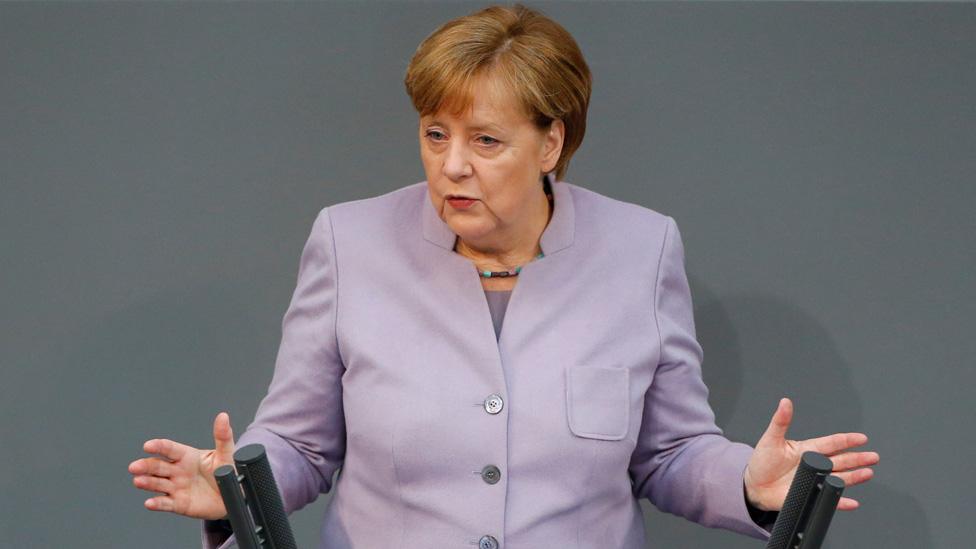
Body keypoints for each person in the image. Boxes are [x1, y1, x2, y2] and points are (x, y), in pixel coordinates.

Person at [128, 5, 879, 548]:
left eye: (486, 140)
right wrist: (232, 490)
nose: (452, 164)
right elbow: (302, 443)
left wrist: (749, 480)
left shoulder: (642, 248)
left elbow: (669, 454)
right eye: (435, 134)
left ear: (552, 141)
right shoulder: (347, 242)